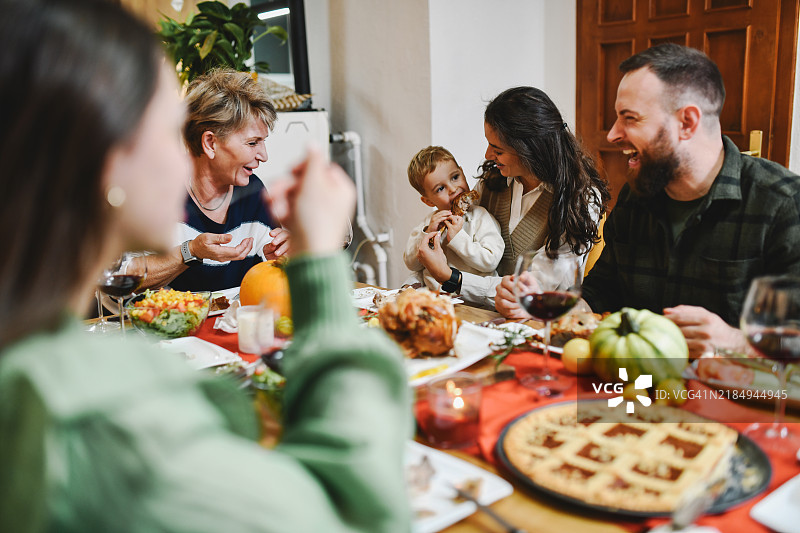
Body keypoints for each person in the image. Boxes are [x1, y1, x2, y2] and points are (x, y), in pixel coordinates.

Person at [0, 2, 411, 532]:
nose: (182, 151)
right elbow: (356, 516)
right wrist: (319, 265)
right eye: (169, 127)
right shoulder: (97, 424)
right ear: (108, 158)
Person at [581, 43, 800, 358]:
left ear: (687, 123)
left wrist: (736, 341)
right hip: (633, 390)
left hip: (735, 396)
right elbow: (603, 290)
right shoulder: (635, 194)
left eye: (630, 118)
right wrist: (568, 307)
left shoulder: (784, 204)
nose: (613, 134)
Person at [416, 87, 609, 311]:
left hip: (534, 322)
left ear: (530, 149)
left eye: (497, 149)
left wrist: (452, 278)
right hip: (474, 313)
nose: (488, 155)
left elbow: (533, 291)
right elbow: (459, 242)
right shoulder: (492, 181)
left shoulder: (580, 200)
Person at [141, 68, 290, 292]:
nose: (264, 156)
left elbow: (267, 281)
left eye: (263, 142)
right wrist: (190, 252)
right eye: (252, 143)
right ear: (210, 143)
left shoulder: (253, 191)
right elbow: (121, 278)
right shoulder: (155, 191)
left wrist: (279, 257)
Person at [403, 146, 504, 291]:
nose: (452, 188)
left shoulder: (481, 217)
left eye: (455, 177)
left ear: (462, 172)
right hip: (434, 297)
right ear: (429, 201)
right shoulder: (429, 223)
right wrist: (428, 233)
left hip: (473, 301)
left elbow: (491, 261)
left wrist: (458, 238)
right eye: (440, 189)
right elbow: (412, 264)